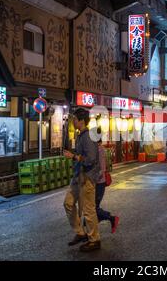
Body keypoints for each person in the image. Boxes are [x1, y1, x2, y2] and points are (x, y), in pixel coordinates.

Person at [63, 108, 101, 252]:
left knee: (88, 209)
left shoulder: (88, 136)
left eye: (74, 119)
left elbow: (91, 159)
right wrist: (73, 155)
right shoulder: (81, 136)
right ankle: (80, 232)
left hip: (87, 177)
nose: (72, 121)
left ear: (81, 120)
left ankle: (94, 239)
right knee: (68, 203)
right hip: (78, 176)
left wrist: (73, 157)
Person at [96, 138, 119, 233]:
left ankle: (111, 218)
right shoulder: (97, 149)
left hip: (99, 183)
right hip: (97, 182)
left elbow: (102, 169)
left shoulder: (100, 150)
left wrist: (92, 178)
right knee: (92, 207)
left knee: (92, 207)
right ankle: (91, 229)